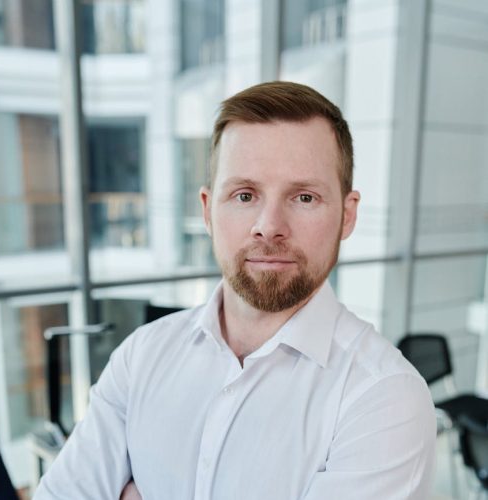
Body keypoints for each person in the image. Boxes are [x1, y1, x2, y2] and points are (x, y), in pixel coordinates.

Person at [34, 81, 436, 499]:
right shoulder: (141, 357)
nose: (270, 225)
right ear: (208, 211)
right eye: (245, 195)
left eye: (303, 197)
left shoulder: (386, 398)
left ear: (347, 216)